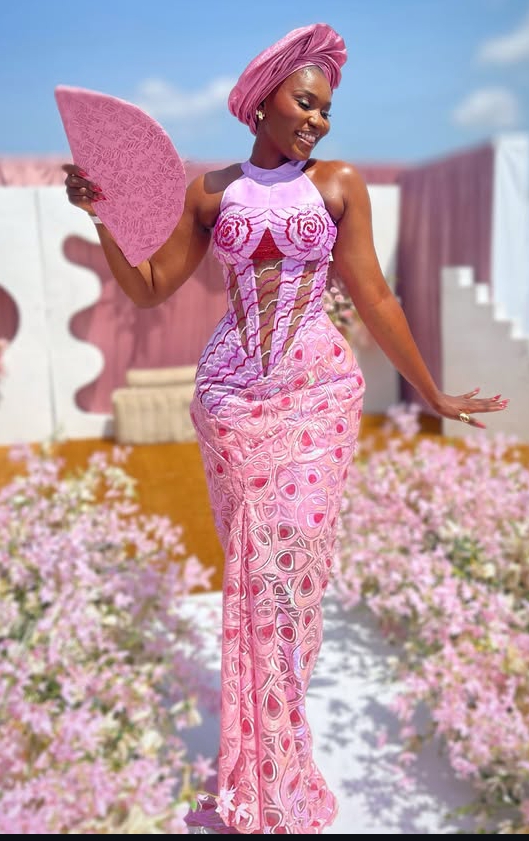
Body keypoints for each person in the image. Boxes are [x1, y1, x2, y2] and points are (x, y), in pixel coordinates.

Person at [62, 22, 508, 835]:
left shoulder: (338, 185)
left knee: (292, 570)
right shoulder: (209, 192)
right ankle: (260, 774)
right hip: (232, 399)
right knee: (255, 574)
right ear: (261, 101)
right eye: (305, 103)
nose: (318, 121)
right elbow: (151, 287)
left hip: (316, 394)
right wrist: (101, 218)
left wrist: (431, 392)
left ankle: (280, 747)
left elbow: (374, 296)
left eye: (326, 109)